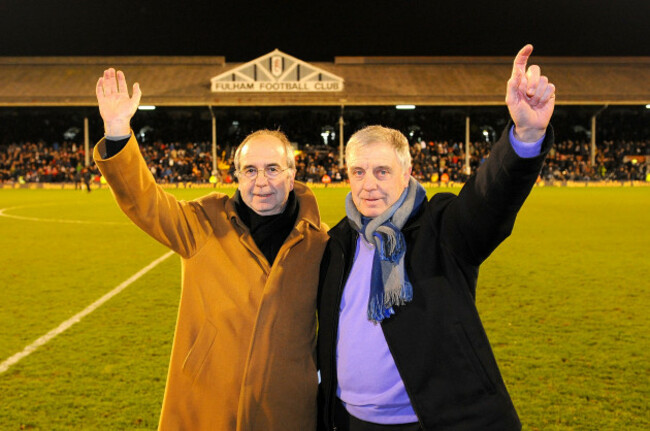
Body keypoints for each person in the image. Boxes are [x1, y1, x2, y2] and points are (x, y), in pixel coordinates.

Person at [317, 44, 556, 430]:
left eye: (381, 171)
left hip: (426, 420)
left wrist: (526, 134)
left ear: (407, 171)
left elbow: (487, 200)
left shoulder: (439, 226)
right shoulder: (337, 242)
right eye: (358, 172)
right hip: (347, 421)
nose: (368, 185)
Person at [94, 69, 329, 430]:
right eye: (249, 170)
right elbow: (145, 204)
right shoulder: (202, 222)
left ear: (291, 173)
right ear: (235, 175)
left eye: (272, 169)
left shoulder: (320, 242)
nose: (261, 181)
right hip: (208, 401)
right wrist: (117, 133)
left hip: (285, 407)